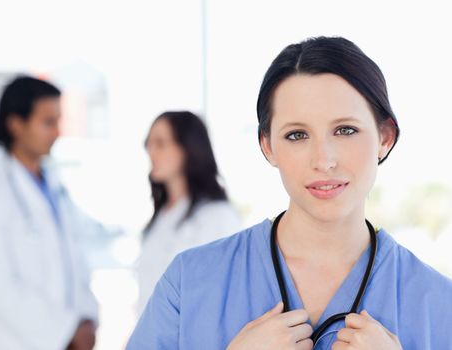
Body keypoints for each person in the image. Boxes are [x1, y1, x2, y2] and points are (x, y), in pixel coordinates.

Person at [126, 37, 452, 349]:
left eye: (346, 130)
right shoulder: (188, 283)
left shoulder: (439, 305)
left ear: (385, 137)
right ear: (267, 146)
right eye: (297, 135)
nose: (323, 160)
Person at [0, 76, 98, 350]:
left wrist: (86, 320)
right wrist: (66, 330)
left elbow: (76, 264)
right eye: (48, 122)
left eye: (58, 121)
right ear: (16, 125)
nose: (58, 132)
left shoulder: (56, 187)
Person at [136, 111, 242, 314]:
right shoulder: (161, 216)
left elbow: (223, 298)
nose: (151, 151)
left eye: (160, 143)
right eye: (148, 143)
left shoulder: (217, 217)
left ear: (187, 148)